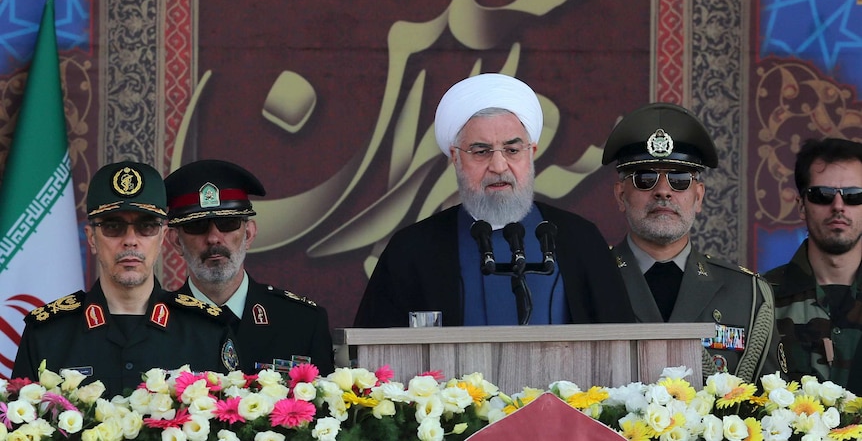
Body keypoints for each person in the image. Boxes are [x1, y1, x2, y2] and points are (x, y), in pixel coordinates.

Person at [354, 73, 636, 327]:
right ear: (455, 157)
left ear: (531, 152)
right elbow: (375, 365)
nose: (499, 166)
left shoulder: (579, 240)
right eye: (481, 151)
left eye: (512, 150)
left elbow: (619, 348)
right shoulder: (413, 250)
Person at [12, 161, 239, 396]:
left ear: (162, 237)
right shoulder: (47, 334)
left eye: (146, 226)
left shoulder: (207, 331)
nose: (130, 240)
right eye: (113, 226)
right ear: (91, 238)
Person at [602, 102, 785, 383]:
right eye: (645, 178)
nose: (663, 191)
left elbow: (772, 409)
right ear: (620, 196)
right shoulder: (586, 281)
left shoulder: (747, 294)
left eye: (679, 179)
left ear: (698, 196)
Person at [164, 159, 335, 375]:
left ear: (249, 234)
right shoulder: (155, 324)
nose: (214, 238)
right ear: (176, 241)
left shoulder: (303, 322)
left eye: (228, 224)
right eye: (197, 226)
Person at [763, 138, 862, 394]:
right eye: (822, 195)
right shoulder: (760, 299)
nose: (838, 206)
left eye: (854, 196)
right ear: (801, 206)